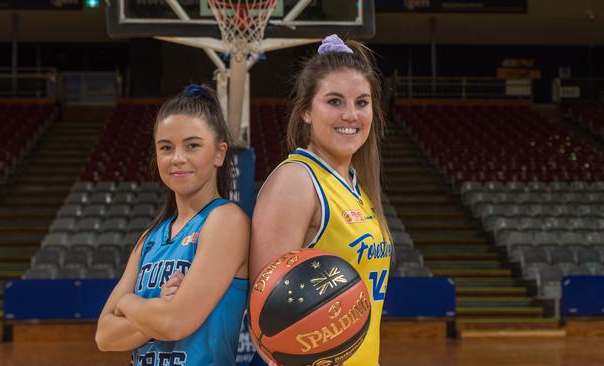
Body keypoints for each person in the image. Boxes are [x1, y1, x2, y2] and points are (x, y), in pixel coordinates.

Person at [249, 35, 392, 366]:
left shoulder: (357, 185)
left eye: (362, 102)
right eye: (334, 101)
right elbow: (266, 318)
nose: (351, 115)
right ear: (306, 113)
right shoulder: (297, 180)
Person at [95, 84, 250, 366]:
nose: (177, 158)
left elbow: (176, 323)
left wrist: (127, 304)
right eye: (166, 147)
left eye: (192, 145)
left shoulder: (226, 220)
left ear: (219, 153)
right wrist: (159, 309)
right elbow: (104, 336)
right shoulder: (150, 238)